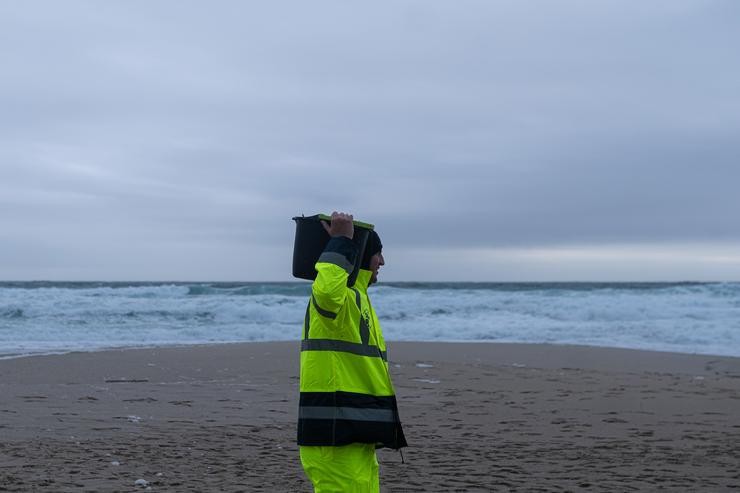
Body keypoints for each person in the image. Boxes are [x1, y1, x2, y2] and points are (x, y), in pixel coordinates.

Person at [298, 211, 407, 492]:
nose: (382, 261)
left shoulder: (360, 298)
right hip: (335, 432)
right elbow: (326, 293)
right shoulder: (341, 299)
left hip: (356, 432)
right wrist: (341, 242)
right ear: (362, 253)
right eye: (378, 253)